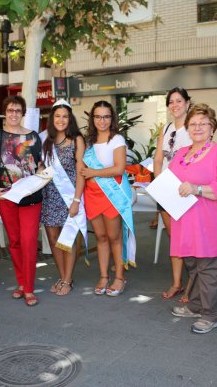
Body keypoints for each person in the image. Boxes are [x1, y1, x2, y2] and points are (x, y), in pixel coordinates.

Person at [169, 104, 217, 334]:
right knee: (193, 264)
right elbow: (171, 182)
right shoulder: (181, 153)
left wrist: (197, 188)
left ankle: (211, 314)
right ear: (187, 127)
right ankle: (197, 305)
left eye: (203, 123)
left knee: (208, 267)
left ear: (212, 127)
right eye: (193, 123)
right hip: (184, 221)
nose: (197, 127)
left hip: (208, 222)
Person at [0, 96, 42, 306]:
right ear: (5, 112)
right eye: (10, 110)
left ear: (23, 113)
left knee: (29, 240)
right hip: (6, 196)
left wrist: (43, 174)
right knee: (15, 241)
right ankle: (21, 283)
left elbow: (39, 167)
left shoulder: (33, 136)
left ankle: (29, 288)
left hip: (31, 197)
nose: (14, 114)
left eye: (18, 110)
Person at [81, 100, 135, 297]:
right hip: (93, 195)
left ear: (111, 118)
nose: (101, 121)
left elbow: (119, 168)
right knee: (101, 237)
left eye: (105, 116)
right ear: (92, 118)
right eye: (98, 116)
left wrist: (93, 172)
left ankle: (119, 277)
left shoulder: (117, 140)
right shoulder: (88, 142)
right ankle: (104, 276)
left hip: (111, 195)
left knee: (114, 237)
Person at [41, 99, 86, 296]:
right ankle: (62, 276)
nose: (61, 120)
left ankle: (68, 279)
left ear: (70, 119)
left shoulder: (77, 140)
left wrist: (76, 200)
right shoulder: (46, 140)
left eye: (65, 116)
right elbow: (42, 167)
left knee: (68, 238)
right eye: (57, 116)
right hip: (50, 196)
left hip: (69, 197)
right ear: (52, 119)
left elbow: (80, 172)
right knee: (53, 239)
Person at [153, 87, 193, 301]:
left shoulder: (194, 127)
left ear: (187, 103)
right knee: (175, 239)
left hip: (186, 191)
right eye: (171, 102)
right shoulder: (166, 128)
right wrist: (159, 184)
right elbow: (158, 159)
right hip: (166, 191)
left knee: (188, 239)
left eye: (179, 101)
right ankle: (177, 283)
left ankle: (192, 285)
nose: (175, 105)